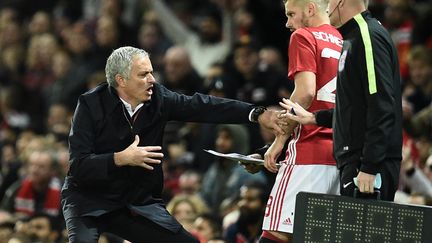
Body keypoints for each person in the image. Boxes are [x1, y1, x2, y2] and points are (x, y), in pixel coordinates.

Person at [61, 46, 284, 243]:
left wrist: (255, 113)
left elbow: (205, 106)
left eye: (151, 72)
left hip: (134, 201)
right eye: (143, 74)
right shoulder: (90, 105)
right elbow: (79, 166)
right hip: (88, 200)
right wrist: (121, 158)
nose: (152, 79)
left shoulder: (159, 98)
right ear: (121, 80)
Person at [280, 0, 402, 201]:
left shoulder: (367, 35)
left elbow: (381, 105)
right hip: (356, 163)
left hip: (368, 168)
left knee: (361, 233)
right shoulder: (351, 37)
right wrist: (315, 118)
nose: (326, 5)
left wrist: (370, 165)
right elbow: (356, 109)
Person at [247, 0, 343, 242]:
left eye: (291, 14)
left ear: (310, 9)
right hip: (341, 155)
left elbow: (306, 93)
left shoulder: (304, 36)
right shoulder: (345, 40)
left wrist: (278, 141)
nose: (288, 23)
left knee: (275, 234)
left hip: (307, 154)